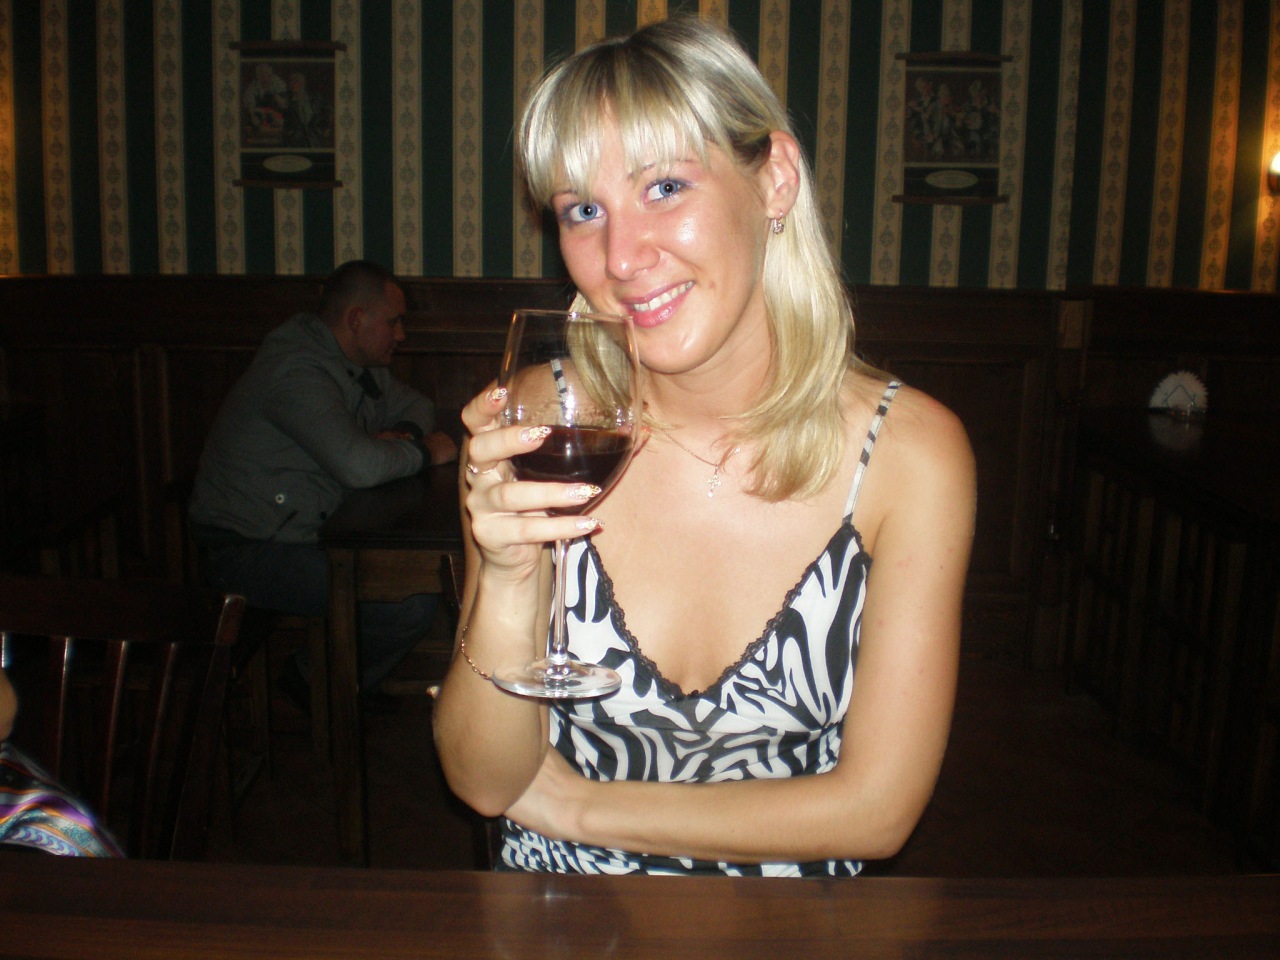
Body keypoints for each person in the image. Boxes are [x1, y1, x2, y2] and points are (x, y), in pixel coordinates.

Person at [433, 17, 976, 877]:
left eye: (664, 188)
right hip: (561, 921)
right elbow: (484, 781)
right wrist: (507, 577)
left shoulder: (910, 457)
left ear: (775, 180)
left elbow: (876, 812)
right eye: (583, 210)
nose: (621, 257)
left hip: (792, 928)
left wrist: (580, 807)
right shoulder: (537, 424)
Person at [189, 260, 457, 709]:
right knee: (406, 602)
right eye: (393, 322)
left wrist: (404, 438)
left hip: (305, 531)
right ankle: (313, 682)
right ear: (356, 319)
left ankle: (339, 686)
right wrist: (424, 452)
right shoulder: (295, 371)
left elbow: (417, 405)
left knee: (409, 585)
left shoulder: (356, 363)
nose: (401, 334)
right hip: (247, 548)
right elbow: (360, 468)